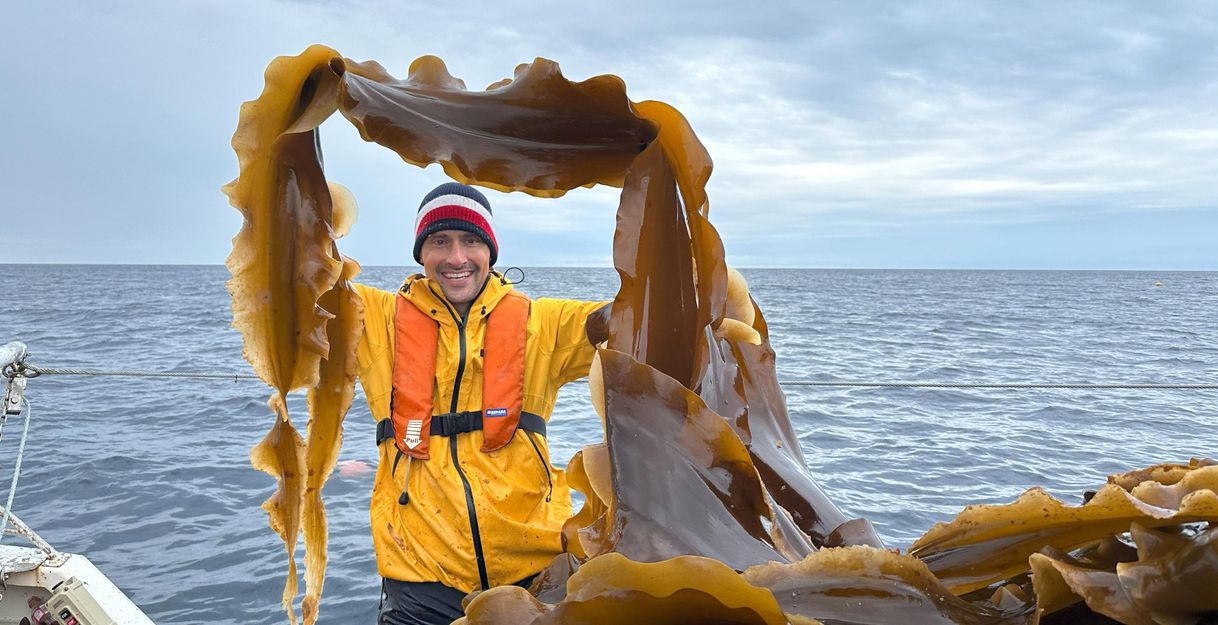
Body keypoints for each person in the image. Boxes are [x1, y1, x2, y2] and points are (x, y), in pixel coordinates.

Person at [352, 182, 605, 625]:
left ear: (490, 249)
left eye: (471, 240)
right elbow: (295, 269)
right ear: (420, 253)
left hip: (538, 572)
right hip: (419, 577)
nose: (456, 258)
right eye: (439, 241)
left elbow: (636, 325)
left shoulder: (543, 323)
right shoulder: (374, 319)